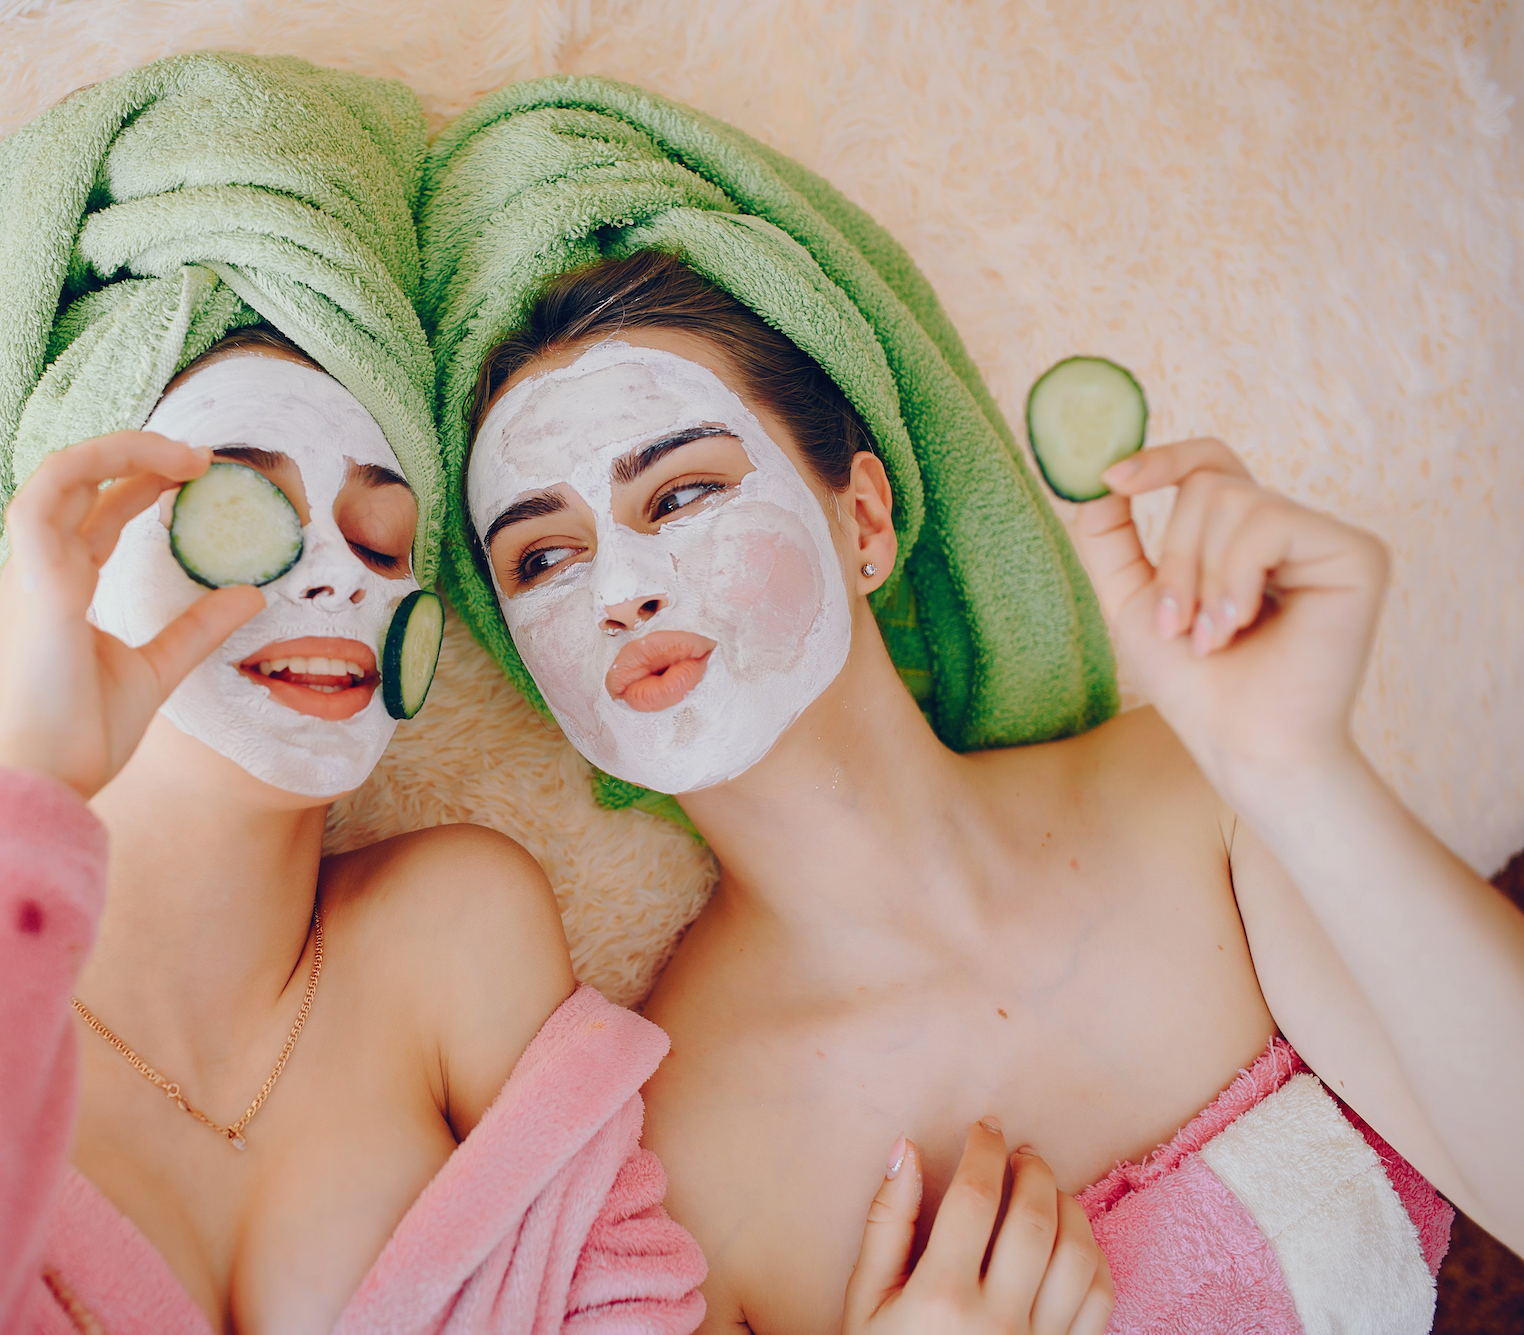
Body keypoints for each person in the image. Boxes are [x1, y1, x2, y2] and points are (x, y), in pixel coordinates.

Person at [0, 338, 1115, 1335]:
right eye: (241, 518)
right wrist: (23, 783)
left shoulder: (461, 935)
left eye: (383, 536)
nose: (335, 577)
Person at [423, 79, 1524, 1335]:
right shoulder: (672, 1185)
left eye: (677, 494)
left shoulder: (1194, 799)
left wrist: (1295, 767)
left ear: (864, 519)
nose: (618, 589)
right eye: (542, 559)